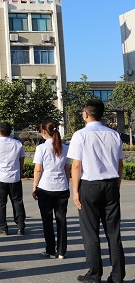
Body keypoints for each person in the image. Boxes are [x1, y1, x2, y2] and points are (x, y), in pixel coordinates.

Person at [68, 99, 125, 283]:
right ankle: (117, 276)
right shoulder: (114, 135)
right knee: (114, 233)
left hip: (89, 185)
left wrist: (75, 191)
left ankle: (94, 275)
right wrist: (116, 186)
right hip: (111, 184)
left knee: (91, 233)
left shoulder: (80, 135)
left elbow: (76, 166)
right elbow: (120, 164)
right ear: (102, 114)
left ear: (86, 114)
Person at [31, 119, 70, 259]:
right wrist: (67, 184)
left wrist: (34, 186)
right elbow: (67, 169)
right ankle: (62, 251)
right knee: (61, 220)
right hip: (62, 187)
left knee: (47, 220)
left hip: (45, 187)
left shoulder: (41, 148)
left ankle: (50, 250)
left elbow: (38, 169)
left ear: (43, 131)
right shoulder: (65, 148)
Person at [0, 122, 26, 235]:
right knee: (17, 201)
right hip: (15, 178)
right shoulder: (17, 143)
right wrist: (20, 170)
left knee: (1, 203)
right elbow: (22, 158)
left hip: (0, 177)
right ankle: (20, 226)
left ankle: (3, 227)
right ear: (10, 132)